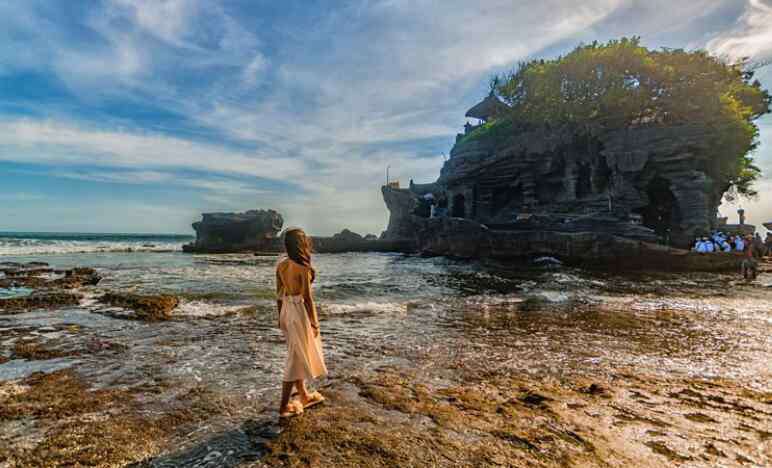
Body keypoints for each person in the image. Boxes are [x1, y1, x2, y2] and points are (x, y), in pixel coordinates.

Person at [275, 227, 328, 418]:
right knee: (295, 359)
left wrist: (279, 318)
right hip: (298, 311)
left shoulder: (281, 265)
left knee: (296, 353)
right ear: (302, 245)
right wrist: (314, 323)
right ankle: (283, 407)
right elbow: (307, 299)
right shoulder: (303, 268)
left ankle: (304, 395)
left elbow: (279, 295)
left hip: (286, 312)